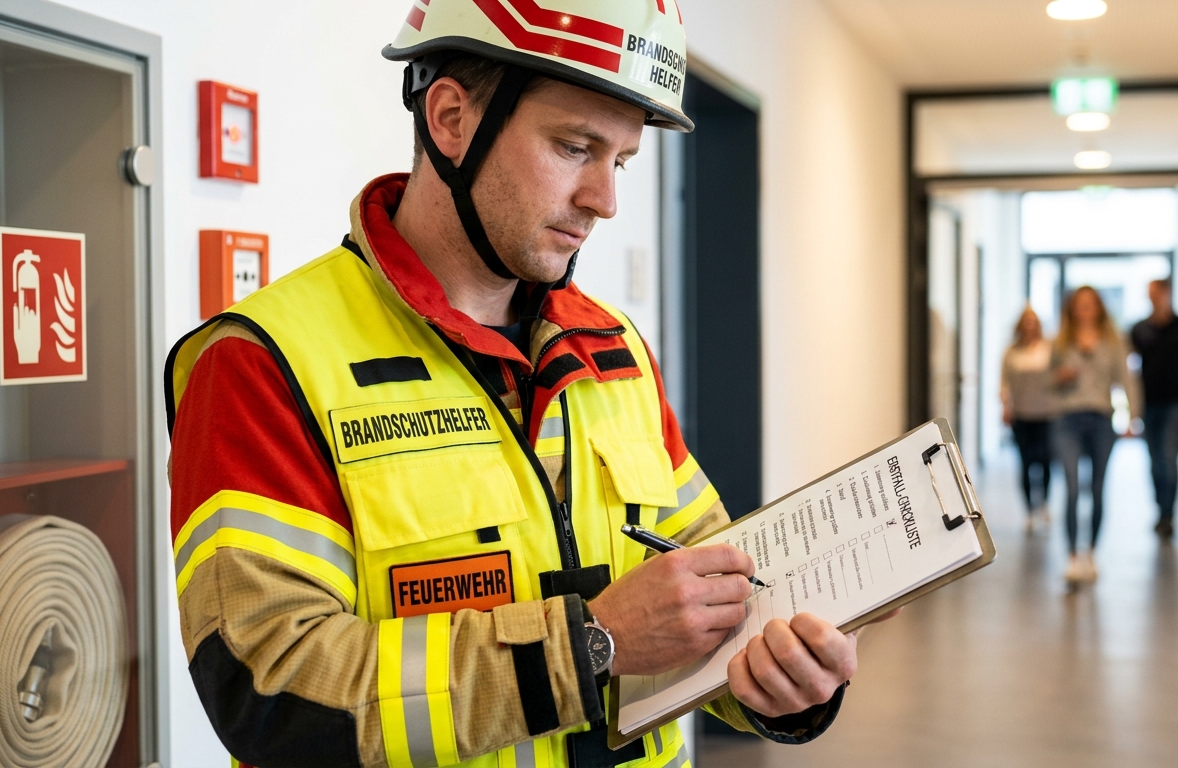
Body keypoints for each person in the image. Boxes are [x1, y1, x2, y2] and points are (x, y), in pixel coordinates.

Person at [163, 3, 861, 766]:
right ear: (453, 118)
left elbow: (706, 587)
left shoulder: (613, 348)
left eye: (620, 160)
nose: (605, 199)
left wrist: (782, 676)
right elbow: (273, 691)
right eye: (574, 147)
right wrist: (594, 644)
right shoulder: (265, 363)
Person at [1050, 287, 1132, 584]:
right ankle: (1072, 555)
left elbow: (1125, 378)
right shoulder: (1059, 342)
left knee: (1097, 490)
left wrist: (1133, 414)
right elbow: (1046, 383)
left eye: (1090, 305)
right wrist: (1060, 378)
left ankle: (1091, 553)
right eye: (1079, 305)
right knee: (1072, 488)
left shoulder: (1113, 342)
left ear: (1099, 308)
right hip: (1067, 420)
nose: (1084, 310)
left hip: (1100, 420)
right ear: (1072, 310)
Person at [1130, 279, 1178, 541]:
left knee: (1168, 459)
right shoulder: (1139, 329)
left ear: (1167, 294)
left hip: (1175, 402)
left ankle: (1169, 513)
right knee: (1155, 460)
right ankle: (1161, 508)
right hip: (1149, 402)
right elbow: (1128, 367)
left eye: (1157, 294)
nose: (1153, 299)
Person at [1000, 307, 1055, 530]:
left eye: (1034, 321)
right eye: (1026, 321)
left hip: (1046, 413)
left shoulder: (1049, 349)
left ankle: (1044, 504)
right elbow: (1004, 383)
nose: (1030, 326)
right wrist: (1006, 406)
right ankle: (1029, 510)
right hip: (1022, 414)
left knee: (1045, 460)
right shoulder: (1012, 352)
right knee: (1024, 462)